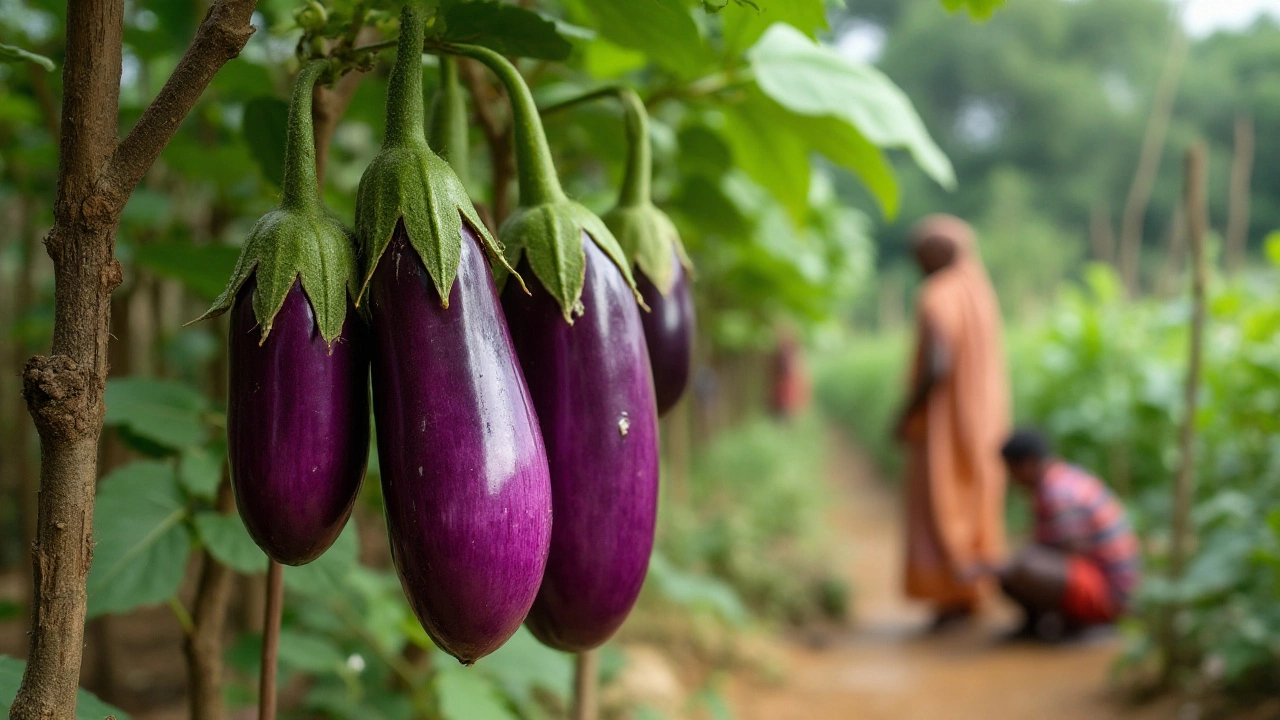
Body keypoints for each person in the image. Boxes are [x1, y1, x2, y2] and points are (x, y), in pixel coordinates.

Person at [893, 214, 1010, 631]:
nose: (918, 265)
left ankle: (950, 595)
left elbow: (938, 365)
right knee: (976, 498)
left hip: (943, 425)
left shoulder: (937, 294)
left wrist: (906, 412)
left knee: (941, 501)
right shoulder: (980, 292)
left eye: (920, 256)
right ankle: (971, 592)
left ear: (938, 253)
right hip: (984, 421)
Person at [988, 430, 1140, 640]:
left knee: (1022, 567)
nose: (1012, 479)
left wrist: (1009, 566)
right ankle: (1038, 628)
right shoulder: (1058, 481)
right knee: (1014, 568)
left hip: (1111, 595)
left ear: (1029, 463)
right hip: (1103, 583)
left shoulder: (1058, 492)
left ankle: (1084, 624)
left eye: (1012, 470)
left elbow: (1074, 552)